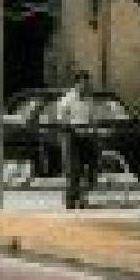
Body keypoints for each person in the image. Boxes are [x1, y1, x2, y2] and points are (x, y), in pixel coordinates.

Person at [53, 73, 98, 209]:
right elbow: (61, 118)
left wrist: (93, 129)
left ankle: (83, 196)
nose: (85, 87)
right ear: (77, 84)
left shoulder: (89, 101)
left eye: (87, 84)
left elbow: (92, 118)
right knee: (73, 169)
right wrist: (73, 127)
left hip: (86, 136)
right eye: (83, 84)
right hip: (71, 136)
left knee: (90, 166)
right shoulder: (67, 100)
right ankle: (71, 200)